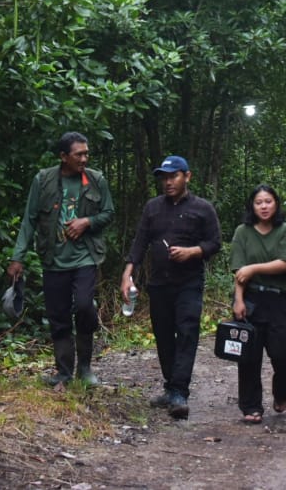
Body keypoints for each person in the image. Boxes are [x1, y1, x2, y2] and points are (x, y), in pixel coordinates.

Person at [7, 132, 115, 389]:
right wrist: (17, 257)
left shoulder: (96, 180)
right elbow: (29, 219)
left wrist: (87, 222)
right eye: (79, 154)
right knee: (58, 315)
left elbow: (109, 212)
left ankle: (85, 368)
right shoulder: (43, 180)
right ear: (64, 156)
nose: (84, 158)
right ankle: (64, 371)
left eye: (86, 153)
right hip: (53, 259)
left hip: (86, 256)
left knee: (85, 306)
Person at [121, 155, 221, 420]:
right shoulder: (153, 208)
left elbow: (215, 243)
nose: (168, 182)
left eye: (173, 176)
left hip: (189, 282)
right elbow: (140, 242)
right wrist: (128, 273)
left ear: (187, 176)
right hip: (159, 283)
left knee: (186, 332)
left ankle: (179, 391)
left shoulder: (203, 208)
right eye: (164, 177)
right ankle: (170, 386)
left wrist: (193, 252)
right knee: (163, 335)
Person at [230, 184, 286, 424]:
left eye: (268, 201)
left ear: (276, 203)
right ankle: (251, 406)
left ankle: (281, 391)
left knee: (282, 352)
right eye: (259, 202)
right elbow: (239, 271)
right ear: (252, 205)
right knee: (248, 356)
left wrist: (254, 268)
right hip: (250, 299)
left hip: (279, 300)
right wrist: (238, 300)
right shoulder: (243, 232)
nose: (264, 206)